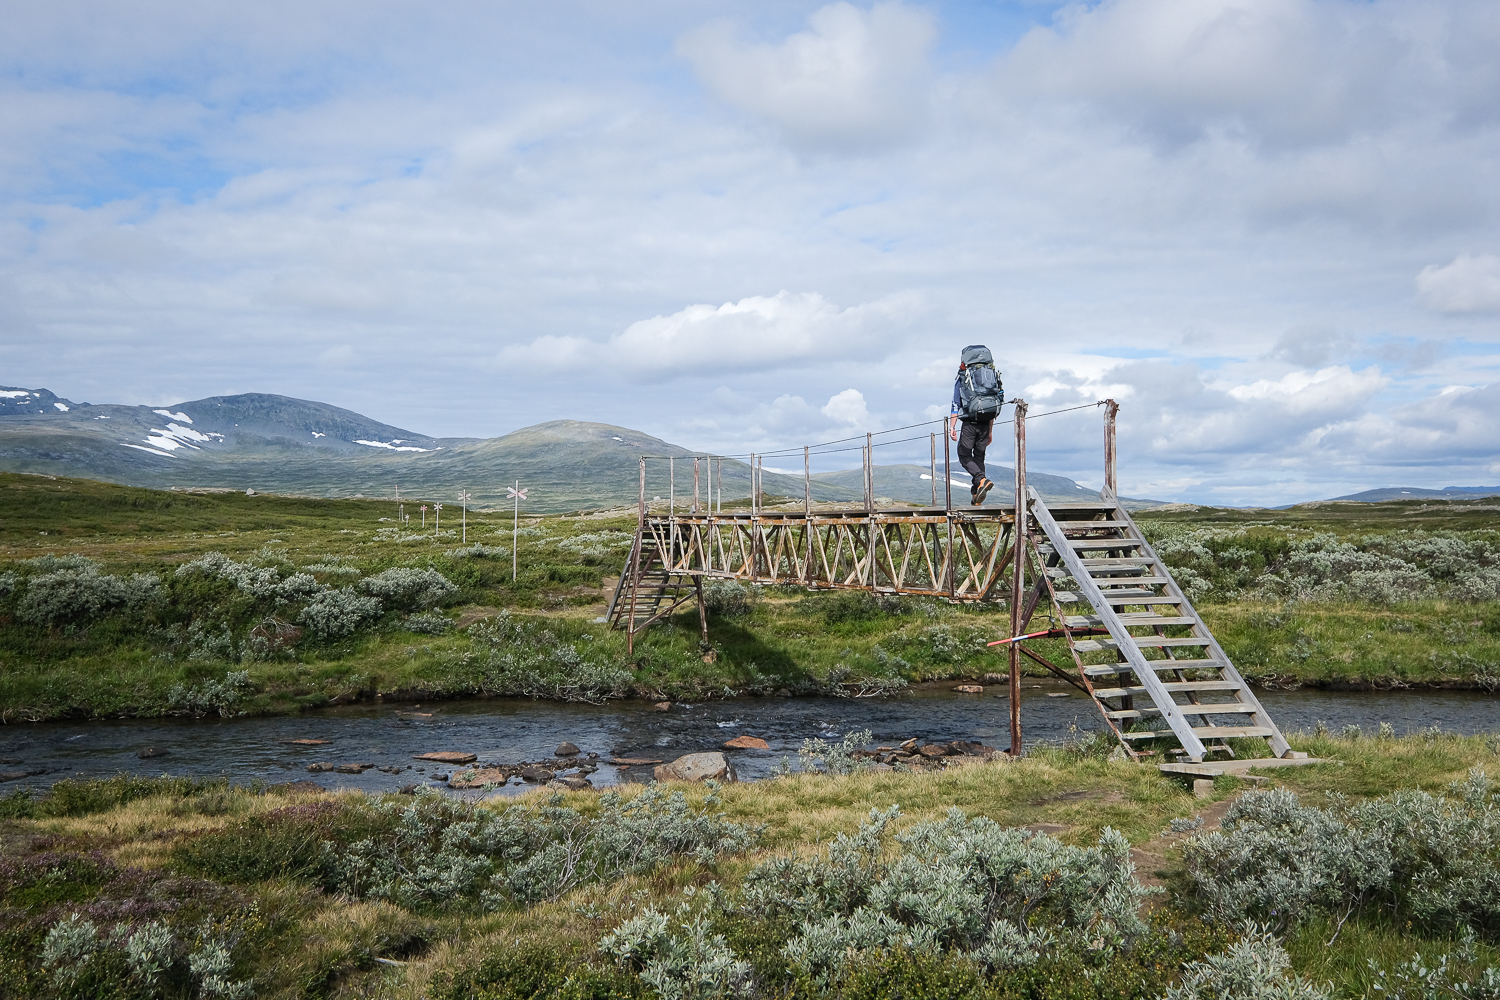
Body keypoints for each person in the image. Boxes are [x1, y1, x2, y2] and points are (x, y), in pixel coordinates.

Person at [948, 345, 1004, 505]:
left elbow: (955, 405)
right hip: (986, 422)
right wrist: (991, 431)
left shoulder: (963, 379)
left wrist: (952, 427)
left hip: (970, 422)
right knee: (979, 457)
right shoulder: (990, 377)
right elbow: (993, 403)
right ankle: (976, 495)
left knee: (964, 455)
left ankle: (981, 480)